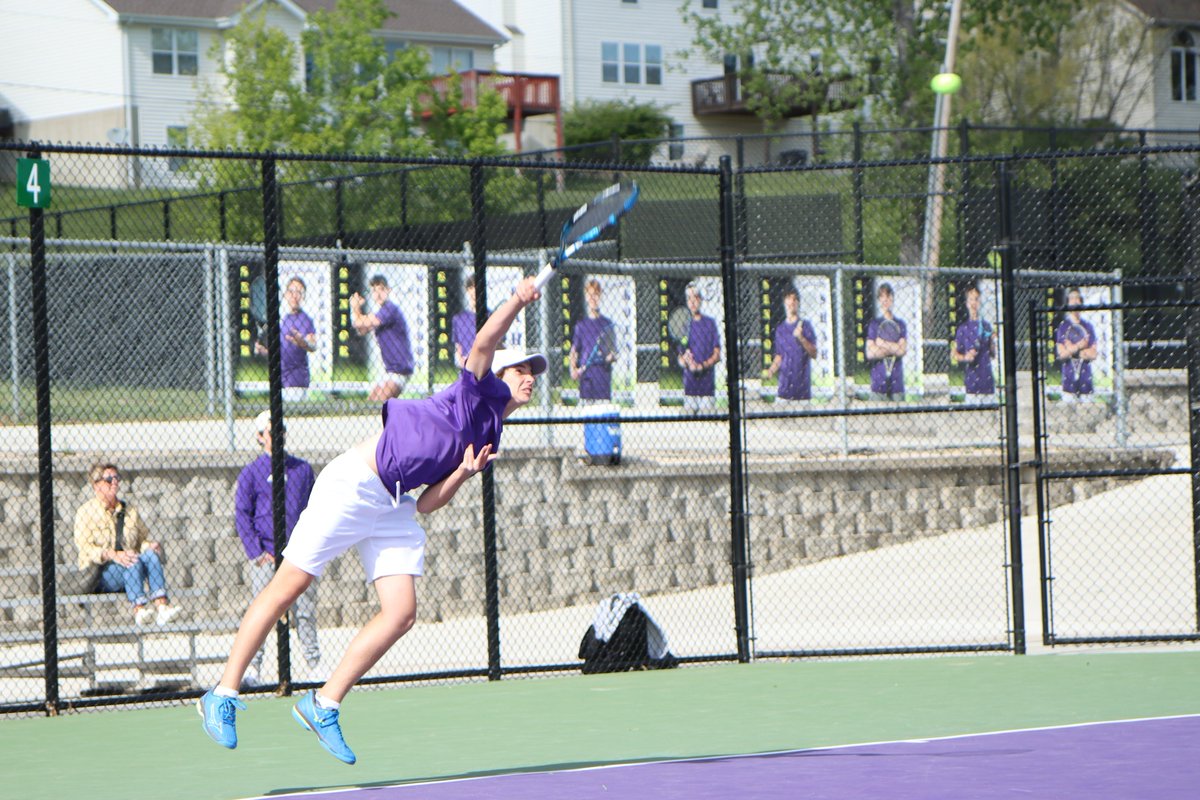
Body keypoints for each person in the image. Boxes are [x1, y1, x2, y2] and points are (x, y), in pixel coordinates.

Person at [198, 277, 546, 765]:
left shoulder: (493, 429)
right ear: (500, 373)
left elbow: (427, 504)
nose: (531, 377)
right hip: (357, 482)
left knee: (401, 612)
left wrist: (465, 473)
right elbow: (485, 341)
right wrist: (517, 299)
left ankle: (323, 704)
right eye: (523, 369)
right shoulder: (476, 387)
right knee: (288, 585)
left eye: (536, 372)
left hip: (396, 503)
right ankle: (224, 692)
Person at [234, 410, 320, 687]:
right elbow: (243, 514)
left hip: (299, 556)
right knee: (262, 612)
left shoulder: (302, 470)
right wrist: (257, 553)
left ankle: (314, 664)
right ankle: (253, 669)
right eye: (273, 431)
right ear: (260, 437)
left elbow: (315, 509)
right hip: (266, 558)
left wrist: (309, 547)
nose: (279, 436)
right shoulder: (251, 473)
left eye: (282, 430)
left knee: (304, 610)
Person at [73, 463, 182, 627]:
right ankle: (139, 609)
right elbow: (85, 548)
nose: (114, 482)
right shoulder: (85, 512)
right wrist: (113, 555)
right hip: (101, 573)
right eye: (109, 479)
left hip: (132, 566)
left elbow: (141, 541)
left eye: (117, 478)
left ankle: (162, 607)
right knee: (131, 559)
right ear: (96, 485)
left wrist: (149, 546)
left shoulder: (129, 510)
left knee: (149, 556)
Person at [351, 275, 414, 401]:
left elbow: (359, 323)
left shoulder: (390, 309)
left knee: (377, 405)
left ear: (388, 290)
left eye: (381, 289)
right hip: (389, 370)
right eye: (374, 290)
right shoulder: (381, 311)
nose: (378, 294)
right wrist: (356, 310)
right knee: (370, 404)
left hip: (399, 370)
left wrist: (355, 308)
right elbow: (361, 329)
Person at [258, 276, 317, 402]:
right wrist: (264, 351)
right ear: (285, 294)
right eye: (291, 291)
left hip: (296, 382)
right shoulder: (281, 319)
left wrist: (302, 341)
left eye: (299, 292)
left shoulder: (306, 320)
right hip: (278, 380)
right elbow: (280, 352)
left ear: (303, 296)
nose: (294, 296)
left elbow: (313, 345)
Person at [765, 288, 817, 403]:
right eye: (789, 299)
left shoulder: (805, 325)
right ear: (784, 302)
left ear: (798, 303)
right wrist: (771, 370)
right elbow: (780, 355)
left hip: (802, 392)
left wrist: (801, 338)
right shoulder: (780, 330)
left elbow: (814, 353)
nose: (792, 302)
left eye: (794, 299)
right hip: (784, 391)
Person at [570, 279, 617, 404]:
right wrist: (574, 369)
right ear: (586, 297)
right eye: (590, 294)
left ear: (600, 296)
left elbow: (613, 352)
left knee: (603, 421)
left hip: (603, 382)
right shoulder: (581, 325)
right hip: (586, 382)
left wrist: (610, 357)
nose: (593, 298)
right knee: (587, 420)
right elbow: (574, 351)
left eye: (596, 294)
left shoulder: (607, 325)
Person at [678, 282, 721, 415]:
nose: (692, 302)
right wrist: (686, 361)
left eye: (695, 297)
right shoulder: (683, 325)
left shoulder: (710, 323)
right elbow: (680, 358)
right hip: (689, 389)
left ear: (700, 300)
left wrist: (702, 366)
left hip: (707, 389)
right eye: (689, 298)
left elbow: (717, 354)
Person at [951, 282, 996, 404]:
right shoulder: (962, 328)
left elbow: (992, 354)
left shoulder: (986, 326)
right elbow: (954, 353)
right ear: (966, 303)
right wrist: (966, 357)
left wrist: (992, 342)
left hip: (987, 383)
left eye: (976, 299)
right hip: (971, 384)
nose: (973, 303)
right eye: (971, 299)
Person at [865, 282, 908, 400]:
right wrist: (893, 347)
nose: (885, 300)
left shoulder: (901, 324)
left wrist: (881, 343)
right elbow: (870, 353)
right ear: (879, 300)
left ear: (892, 298)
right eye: (882, 297)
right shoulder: (874, 324)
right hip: (878, 384)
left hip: (896, 384)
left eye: (888, 297)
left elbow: (902, 350)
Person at [1055, 287, 1099, 401]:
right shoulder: (1063, 327)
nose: (1075, 301)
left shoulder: (1088, 326)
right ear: (1068, 302)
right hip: (1068, 382)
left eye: (1077, 298)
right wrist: (1080, 346)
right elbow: (1062, 354)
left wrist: (1071, 349)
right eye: (1072, 298)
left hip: (1086, 381)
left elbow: (1093, 354)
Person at [452, 276, 477, 369]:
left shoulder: (491, 316)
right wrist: (462, 361)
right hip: (465, 368)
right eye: (471, 288)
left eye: (477, 287)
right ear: (467, 290)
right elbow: (458, 345)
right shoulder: (459, 319)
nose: (474, 291)